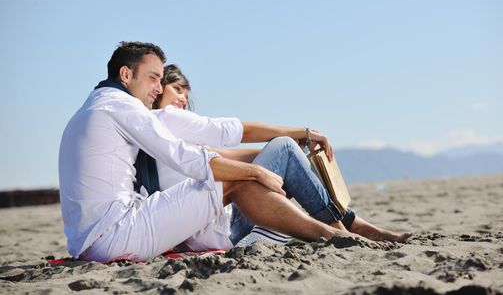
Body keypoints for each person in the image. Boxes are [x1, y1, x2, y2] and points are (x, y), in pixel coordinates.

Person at [59, 41, 374, 263]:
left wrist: (258, 164)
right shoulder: (123, 107)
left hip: (88, 241)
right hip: (116, 236)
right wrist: (256, 171)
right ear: (126, 75)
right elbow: (184, 156)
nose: (158, 87)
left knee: (235, 173)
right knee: (228, 180)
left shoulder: (93, 107)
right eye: (154, 77)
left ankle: (337, 229)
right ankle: (336, 233)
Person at [151, 64, 412, 251]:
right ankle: (344, 226)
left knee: (286, 150)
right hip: (221, 228)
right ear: (158, 89)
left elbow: (233, 156)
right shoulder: (166, 118)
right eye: (176, 89)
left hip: (213, 233)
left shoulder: (160, 138)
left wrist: (294, 158)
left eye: (186, 94)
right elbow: (245, 130)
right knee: (285, 146)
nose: (183, 100)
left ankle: (349, 223)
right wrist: (302, 135)